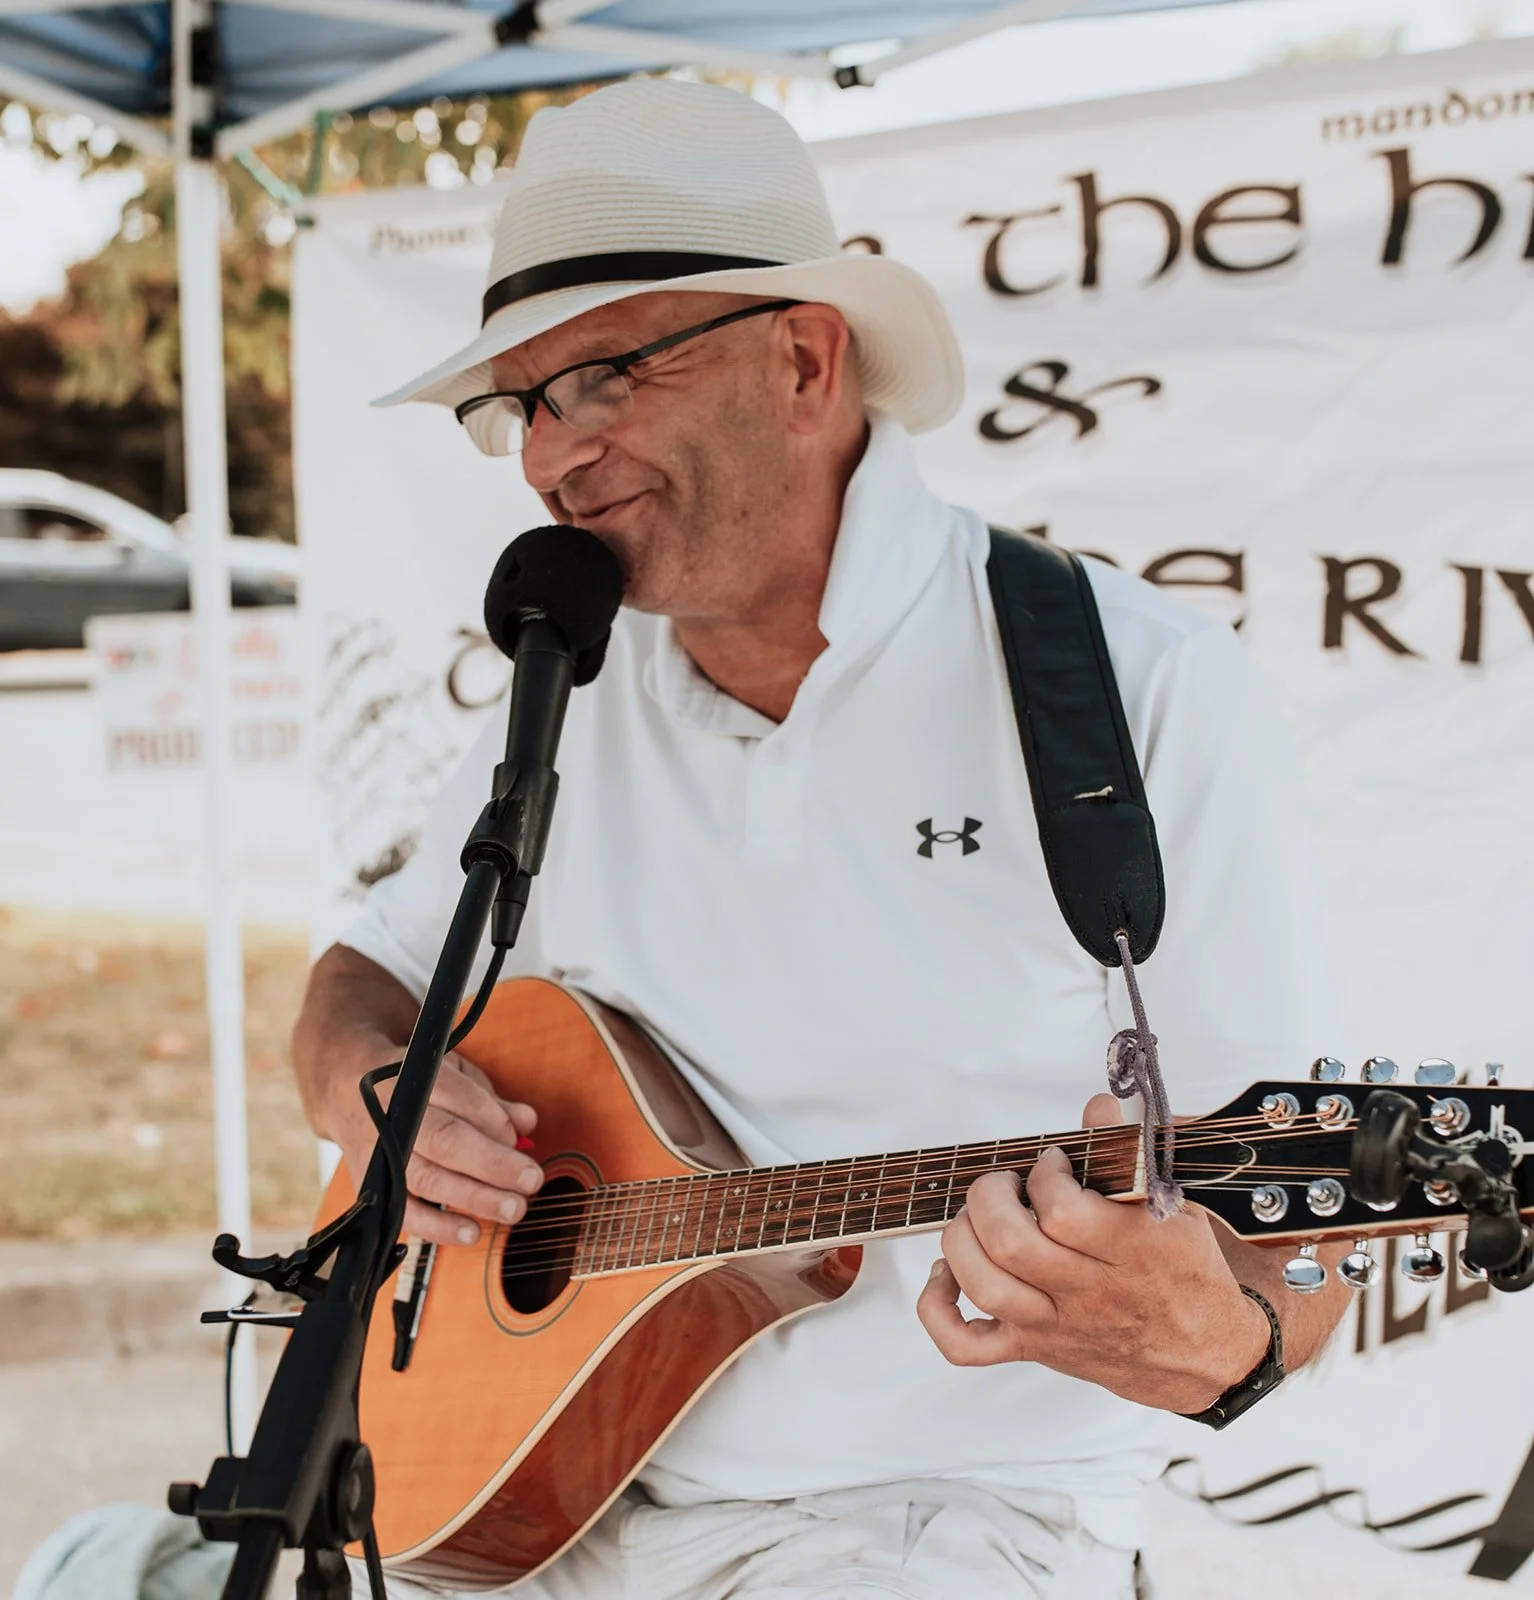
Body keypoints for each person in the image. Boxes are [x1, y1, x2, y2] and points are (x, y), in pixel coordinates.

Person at [293, 78, 1347, 1599]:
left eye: (599, 379)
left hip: (953, 1516)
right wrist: (367, 1081)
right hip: (549, 1500)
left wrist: (1224, 1341)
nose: (548, 459)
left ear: (798, 359)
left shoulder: (1134, 693)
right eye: (520, 404)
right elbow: (368, 970)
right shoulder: (576, 681)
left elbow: (1303, 1244)